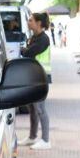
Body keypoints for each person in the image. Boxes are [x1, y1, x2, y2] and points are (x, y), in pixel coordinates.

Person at [21, 12, 51, 150]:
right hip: (33, 76)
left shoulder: (44, 39)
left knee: (40, 109)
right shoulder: (34, 37)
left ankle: (46, 140)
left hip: (41, 77)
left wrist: (24, 50)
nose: (28, 22)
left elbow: (28, 52)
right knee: (32, 108)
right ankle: (32, 137)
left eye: (31, 20)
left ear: (38, 23)